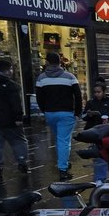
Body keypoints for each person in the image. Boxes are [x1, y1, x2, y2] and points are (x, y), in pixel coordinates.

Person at [35, 50, 82, 181]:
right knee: (64, 140)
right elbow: (78, 96)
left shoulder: (41, 78)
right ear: (60, 62)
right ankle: (63, 168)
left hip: (50, 113)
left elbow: (39, 97)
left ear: (48, 62)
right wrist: (78, 112)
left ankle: (64, 161)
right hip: (66, 113)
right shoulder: (70, 77)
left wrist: (44, 110)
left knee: (59, 139)